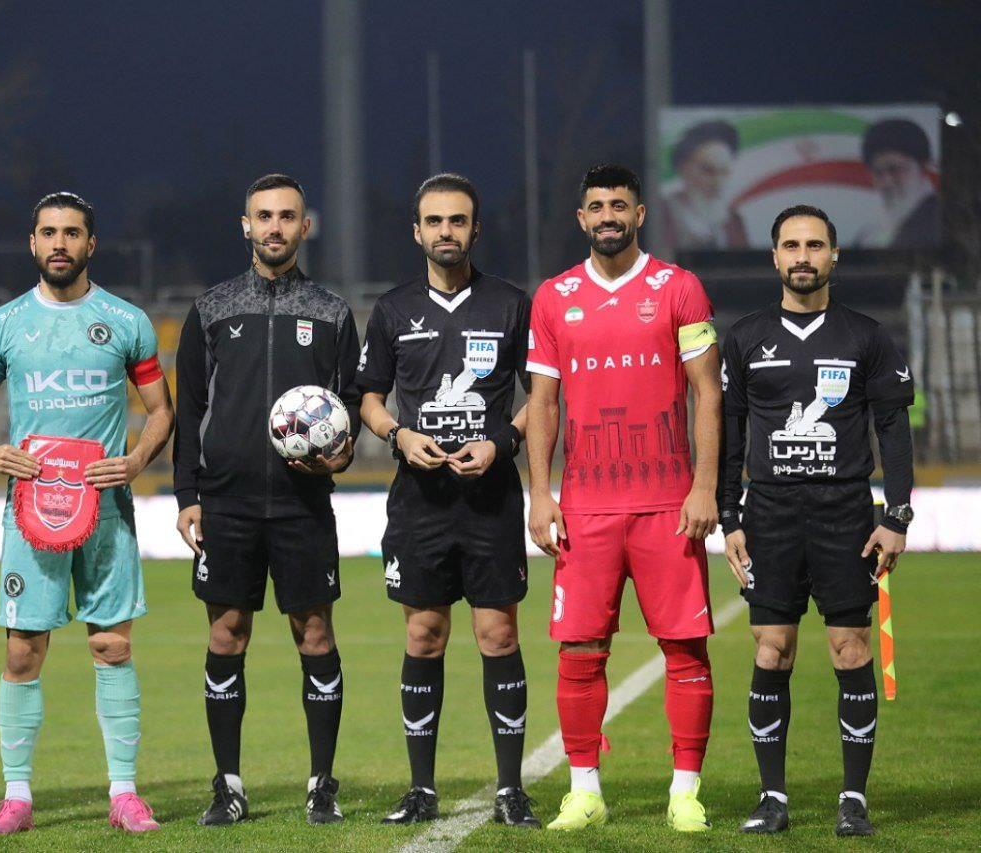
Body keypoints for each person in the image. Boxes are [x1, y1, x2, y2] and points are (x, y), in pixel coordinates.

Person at [0, 192, 174, 835]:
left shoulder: (125, 321)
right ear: (33, 243)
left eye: (72, 233)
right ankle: (17, 796)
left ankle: (124, 793)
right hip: (30, 512)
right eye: (49, 232)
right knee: (23, 652)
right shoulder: (2, 325)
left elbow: (160, 411)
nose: (60, 243)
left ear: (90, 244)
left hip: (106, 511)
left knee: (112, 645)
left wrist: (135, 461)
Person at [527, 164, 722, 833]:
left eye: (619, 205)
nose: (607, 215)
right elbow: (542, 403)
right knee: (579, 651)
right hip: (585, 508)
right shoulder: (554, 297)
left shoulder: (679, 288)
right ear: (581, 218)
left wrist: (703, 485)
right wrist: (540, 494)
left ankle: (685, 792)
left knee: (685, 649)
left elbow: (708, 392)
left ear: (639, 215)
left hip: (669, 504)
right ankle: (584, 791)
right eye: (596, 206)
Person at [720, 204, 915, 837]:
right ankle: (772, 798)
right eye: (791, 245)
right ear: (774, 256)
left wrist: (897, 514)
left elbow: (893, 429)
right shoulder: (745, 338)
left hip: (845, 513)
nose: (802, 256)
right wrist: (729, 516)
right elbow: (730, 434)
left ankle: (853, 800)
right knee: (772, 649)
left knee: (850, 648)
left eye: (814, 245)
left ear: (834, 255)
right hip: (770, 514)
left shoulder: (867, 336)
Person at [173, 173, 360, 826]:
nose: (274, 226)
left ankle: (321, 784)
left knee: (315, 632)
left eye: (286, 216)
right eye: (263, 216)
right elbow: (189, 406)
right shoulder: (213, 308)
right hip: (226, 504)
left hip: (303, 504)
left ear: (304, 226)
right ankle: (227, 784)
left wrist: (343, 452)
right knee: (226, 632)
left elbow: (350, 404)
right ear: (245, 225)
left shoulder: (332, 311)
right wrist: (188, 494)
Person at [357, 173, 537, 827]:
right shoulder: (392, 310)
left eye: (457, 220)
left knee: (497, 633)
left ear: (475, 229)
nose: (446, 232)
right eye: (434, 221)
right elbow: (369, 397)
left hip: (491, 499)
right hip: (420, 502)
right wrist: (398, 435)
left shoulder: (511, 305)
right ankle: (421, 789)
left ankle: (511, 788)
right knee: (424, 633)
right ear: (417, 232)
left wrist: (502, 441)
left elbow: (546, 395)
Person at [659, 120, 749, 250]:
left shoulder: (733, 220)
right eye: (708, 171)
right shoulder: (662, 213)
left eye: (724, 172)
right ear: (683, 168)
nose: (718, 182)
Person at [854, 118, 940, 248]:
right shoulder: (867, 236)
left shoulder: (941, 220)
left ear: (923, 167)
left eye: (895, 170)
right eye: (878, 173)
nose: (887, 182)